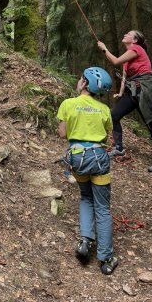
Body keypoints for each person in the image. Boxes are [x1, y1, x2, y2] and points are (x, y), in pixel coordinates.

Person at [57, 67, 118, 275]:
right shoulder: (104, 109)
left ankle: (85, 240)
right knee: (102, 207)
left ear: (83, 82)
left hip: (77, 157)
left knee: (85, 197)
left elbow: (62, 134)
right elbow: (106, 135)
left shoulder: (69, 104)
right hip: (98, 157)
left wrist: (76, 99)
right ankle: (106, 258)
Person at [97, 31, 152, 171]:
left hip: (145, 90)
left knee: (151, 122)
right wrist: (120, 93)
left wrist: (104, 48)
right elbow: (124, 77)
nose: (125, 34)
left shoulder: (136, 49)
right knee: (114, 115)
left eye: (129, 34)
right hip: (132, 91)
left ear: (134, 40)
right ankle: (119, 148)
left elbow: (115, 61)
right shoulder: (128, 57)